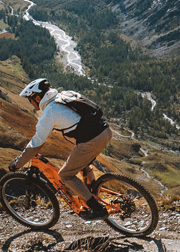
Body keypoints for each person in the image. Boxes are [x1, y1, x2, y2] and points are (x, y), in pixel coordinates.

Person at [9, 78, 112, 221]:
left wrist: (18, 163)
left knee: (65, 175)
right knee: (80, 162)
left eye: (30, 100)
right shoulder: (65, 95)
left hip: (92, 140)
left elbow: (36, 143)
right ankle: (93, 189)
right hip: (105, 130)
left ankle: (97, 208)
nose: (31, 103)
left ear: (37, 97)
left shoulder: (49, 112)